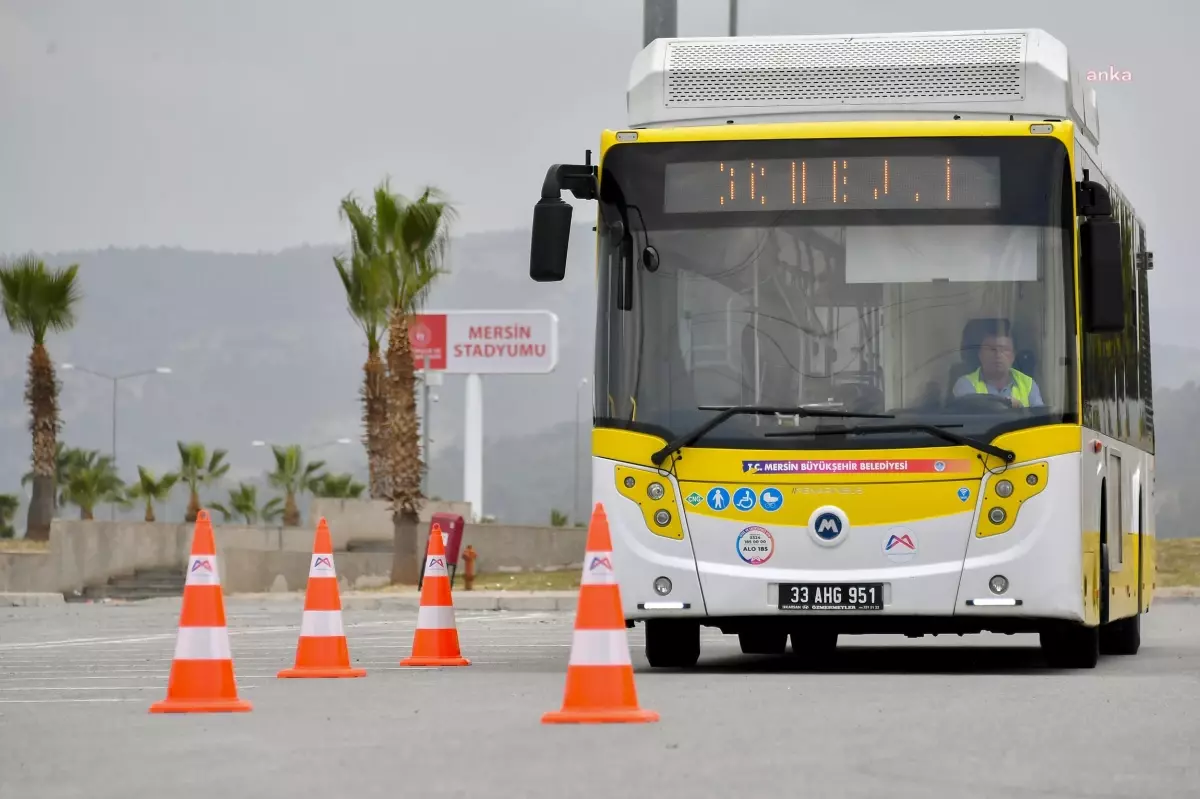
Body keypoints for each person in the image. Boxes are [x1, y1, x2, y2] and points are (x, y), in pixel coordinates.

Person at [951, 327, 1043, 408]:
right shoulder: (965, 384)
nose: (998, 355)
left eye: (1004, 349)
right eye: (991, 349)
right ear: (980, 354)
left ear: (1013, 356)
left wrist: (1020, 408)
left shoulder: (1028, 384)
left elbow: (1040, 421)